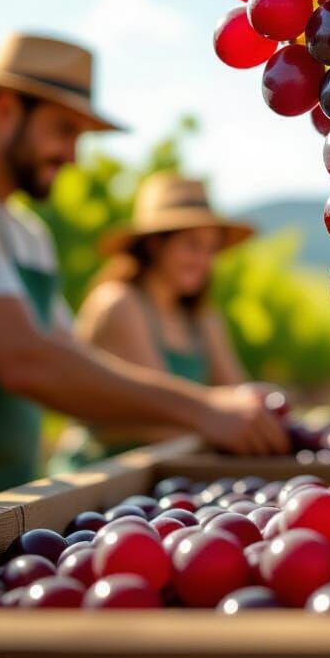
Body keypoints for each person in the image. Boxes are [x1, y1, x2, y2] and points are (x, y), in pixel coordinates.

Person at [0, 33, 287, 513]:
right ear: (6, 110)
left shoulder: (26, 233)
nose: (73, 156)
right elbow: (25, 362)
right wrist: (204, 409)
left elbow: (69, 360)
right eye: (63, 131)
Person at [64, 173, 255, 460]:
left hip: (170, 466)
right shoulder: (120, 304)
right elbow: (163, 414)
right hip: (106, 473)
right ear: (155, 245)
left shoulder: (202, 320)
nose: (204, 261)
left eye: (210, 249)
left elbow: (238, 394)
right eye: (192, 245)